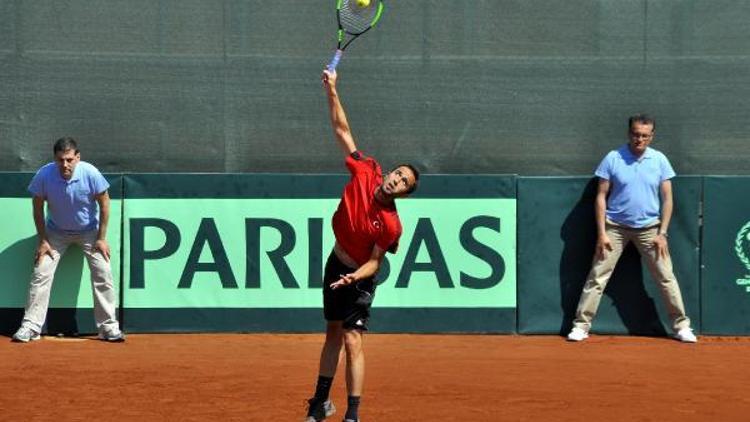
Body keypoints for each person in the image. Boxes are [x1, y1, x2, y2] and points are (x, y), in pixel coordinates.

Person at [304, 69, 419, 422]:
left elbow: (375, 263)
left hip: (359, 276)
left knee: (353, 339)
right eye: (397, 174)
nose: (396, 180)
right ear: (388, 174)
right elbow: (342, 130)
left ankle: (352, 415)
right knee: (332, 333)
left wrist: (354, 278)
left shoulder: (390, 224)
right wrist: (332, 89)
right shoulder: (366, 170)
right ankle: (320, 403)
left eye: (404, 183)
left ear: (404, 193)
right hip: (335, 262)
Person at [567, 114, 697, 343]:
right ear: (629, 134)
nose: (640, 139)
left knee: (666, 277)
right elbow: (600, 196)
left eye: (645, 136)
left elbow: (667, 199)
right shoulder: (613, 158)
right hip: (614, 228)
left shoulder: (659, 160)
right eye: (636, 134)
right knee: (597, 277)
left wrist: (663, 233)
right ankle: (581, 326)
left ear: (652, 136)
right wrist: (602, 233)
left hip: (651, 229)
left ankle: (682, 327)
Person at [12, 137, 124, 343]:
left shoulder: (90, 173)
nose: (65, 164)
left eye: (70, 159)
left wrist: (101, 238)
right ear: (55, 159)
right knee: (40, 272)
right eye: (60, 160)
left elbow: (105, 204)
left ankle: (108, 327)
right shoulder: (44, 175)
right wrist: (43, 240)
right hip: (55, 233)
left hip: (89, 232)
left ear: (77, 157)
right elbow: (37, 208)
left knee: (103, 272)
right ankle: (30, 326)